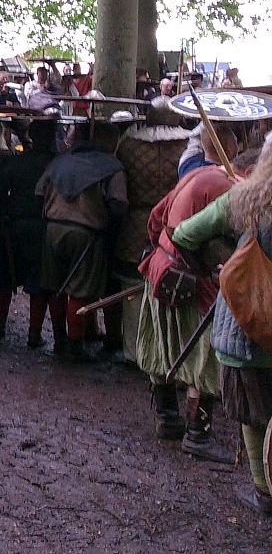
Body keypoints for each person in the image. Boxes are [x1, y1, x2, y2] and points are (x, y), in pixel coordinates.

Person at [172, 135, 272, 514]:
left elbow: (184, 234)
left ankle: (264, 491)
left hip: (248, 325)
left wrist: (230, 265)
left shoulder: (243, 200)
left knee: (253, 413)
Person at [136, 124, 239, 461]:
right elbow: (189, 235)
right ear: (229, 143)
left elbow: (155, 220)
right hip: (188, 279)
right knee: (204, 356)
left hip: (160, 268)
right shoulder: (226, 185)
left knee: (163, 346)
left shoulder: (192, 176)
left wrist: (161, 254)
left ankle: (168, 419)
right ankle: (198, 433)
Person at [36, 123, 128, 361]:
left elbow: (39, 191)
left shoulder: (59, 160)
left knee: (54, 286)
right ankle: (75, 346)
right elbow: (119, 203)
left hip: (53, 228)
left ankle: (59, 340)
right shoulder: (112, 167)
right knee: (79, 289)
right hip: (86, 233)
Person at [111, 98, 191, 364]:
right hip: (172, 227)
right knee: (170, 288)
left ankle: (135, 353)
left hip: (135, 226)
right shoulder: (187, 145)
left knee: (133, 291)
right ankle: (168, 354)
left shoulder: (128, 145)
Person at [0, 118, 59, 347]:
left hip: (15, 225)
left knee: (4, 277)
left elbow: (1, 195)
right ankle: (33, 334)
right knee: (40, 282)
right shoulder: (56, 163)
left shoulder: (16, 162)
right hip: (43, 226)